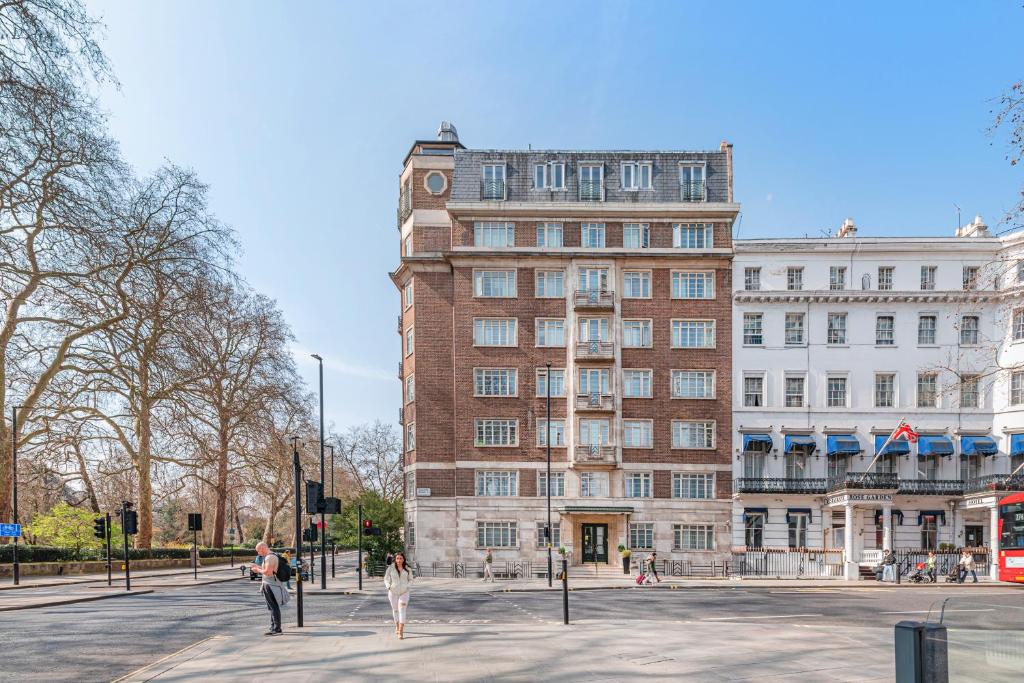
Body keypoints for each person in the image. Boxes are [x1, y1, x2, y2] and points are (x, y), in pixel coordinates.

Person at [251, 542, 289, 635]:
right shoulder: (270, 556)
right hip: (270, 584)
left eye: (258, 551)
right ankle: (273, 627)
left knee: (274, 607)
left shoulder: (270, 557)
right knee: (272, 607)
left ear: (263, 548)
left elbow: (268, 573)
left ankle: (277, 629)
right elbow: (268, 570)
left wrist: (257, 570)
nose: (258, 553)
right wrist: (259, 567)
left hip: (271, 584)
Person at [383, 551, 413, 639]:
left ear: (403, 559)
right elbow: (386, 578)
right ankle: (396, 625)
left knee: (402, 610)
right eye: (397, 558)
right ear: (395, 560)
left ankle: (400, 631)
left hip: (404, 592)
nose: (399, 560)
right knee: (395, 610)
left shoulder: (408, 569)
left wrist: (408, 587)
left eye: (401, 558)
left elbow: (411, 579)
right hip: (393, 592)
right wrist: (388, 586)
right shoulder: (391, 568)